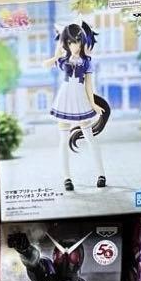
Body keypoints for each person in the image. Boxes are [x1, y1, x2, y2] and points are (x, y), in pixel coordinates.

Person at [46, 21, 107, 192]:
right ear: (66, 43)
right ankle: (67, 178)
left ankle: (101, 174)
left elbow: (89, 85)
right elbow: (46, 64)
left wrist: (93, 104)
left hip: (81, 101)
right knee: (63, 140)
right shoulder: (63, 60)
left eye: (78, 41)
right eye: (71, 42)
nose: (75, 45)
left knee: (90, 138)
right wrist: (57, 53)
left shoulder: (87, 62)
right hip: (64, 101)